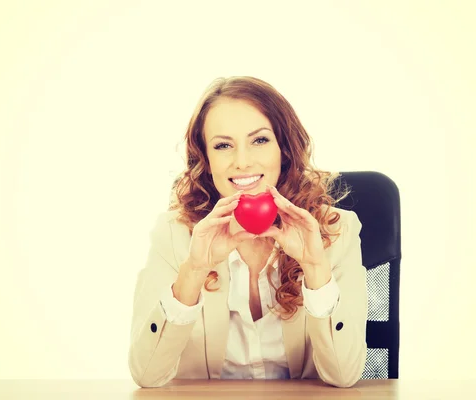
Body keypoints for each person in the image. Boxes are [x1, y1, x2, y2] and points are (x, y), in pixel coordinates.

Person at [128, 76, 367, 388]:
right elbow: (146, 375)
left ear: (285, 149)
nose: (242, 162)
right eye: (223, 145)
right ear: (205, 159)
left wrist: (314, 267)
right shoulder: (175, 234)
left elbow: (344, 376)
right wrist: (194, 270)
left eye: (260, 140)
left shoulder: (336, 230)